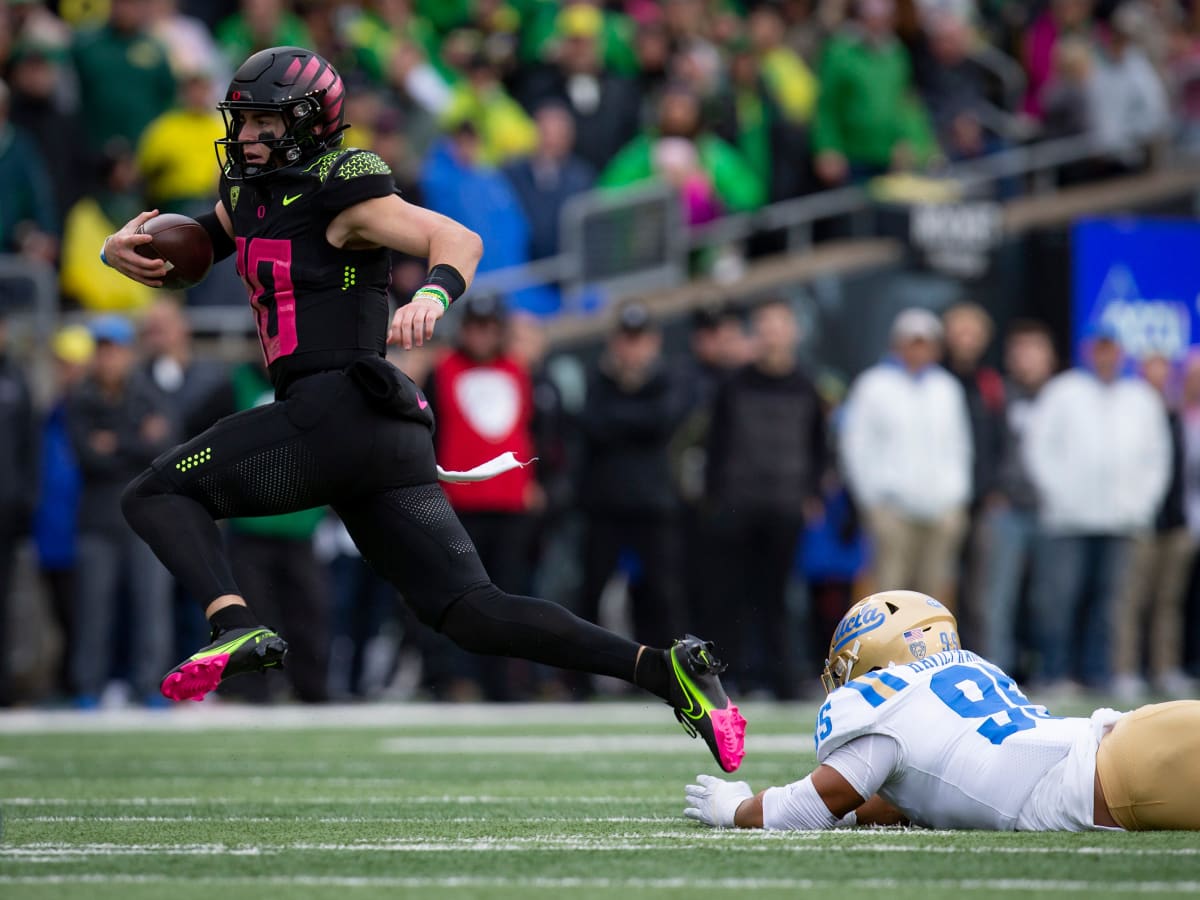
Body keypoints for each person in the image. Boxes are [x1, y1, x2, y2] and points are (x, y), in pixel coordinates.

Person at [99, 46, 744, 772]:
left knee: (155, 491)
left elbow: (456, 238)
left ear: (311, 124)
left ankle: (234, 625)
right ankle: (666, 669)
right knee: (469, 610)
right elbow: (202, 241)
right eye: (241, 120)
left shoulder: (343, 185)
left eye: (264, 122)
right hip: (376, 435)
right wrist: (120, 249)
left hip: (335, 406)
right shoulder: (249, 191)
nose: (246, 137)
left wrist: (432, 295)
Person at [682, 589, 1200, 832]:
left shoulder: (887, 705)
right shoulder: (964, 675)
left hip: (1118, 778)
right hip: (1128, 742)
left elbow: (806, 807)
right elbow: (902, 799)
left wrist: (734, 808)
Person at [1023, 323, 1170, 693]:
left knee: (1112, 602)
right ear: (1089, 350)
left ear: (1121, 353)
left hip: (1122, 518)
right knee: (1060, 598)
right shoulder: (1063, 391)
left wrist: (1141, 503)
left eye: (1112, 349)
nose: (1106, 356)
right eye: (1100, 348)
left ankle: (1099, 673)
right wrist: (1059, 495)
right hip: (1068, 518)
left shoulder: (1140, 397)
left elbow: (1157, 458)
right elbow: (1038, 448)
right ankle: (1056, 672)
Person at [839, 307, 972, 604]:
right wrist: (872, 501)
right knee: (888, 596)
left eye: (925, 343)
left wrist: (955, 499)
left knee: (934, 597)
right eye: (912, 342)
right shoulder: (873, 385)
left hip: (941, 510)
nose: (918, 350)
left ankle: (934, 653)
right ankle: (885, 652)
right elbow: (855, 445)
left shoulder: (947, 388)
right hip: (891, 510)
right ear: (897, 345)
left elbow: (959, 447)